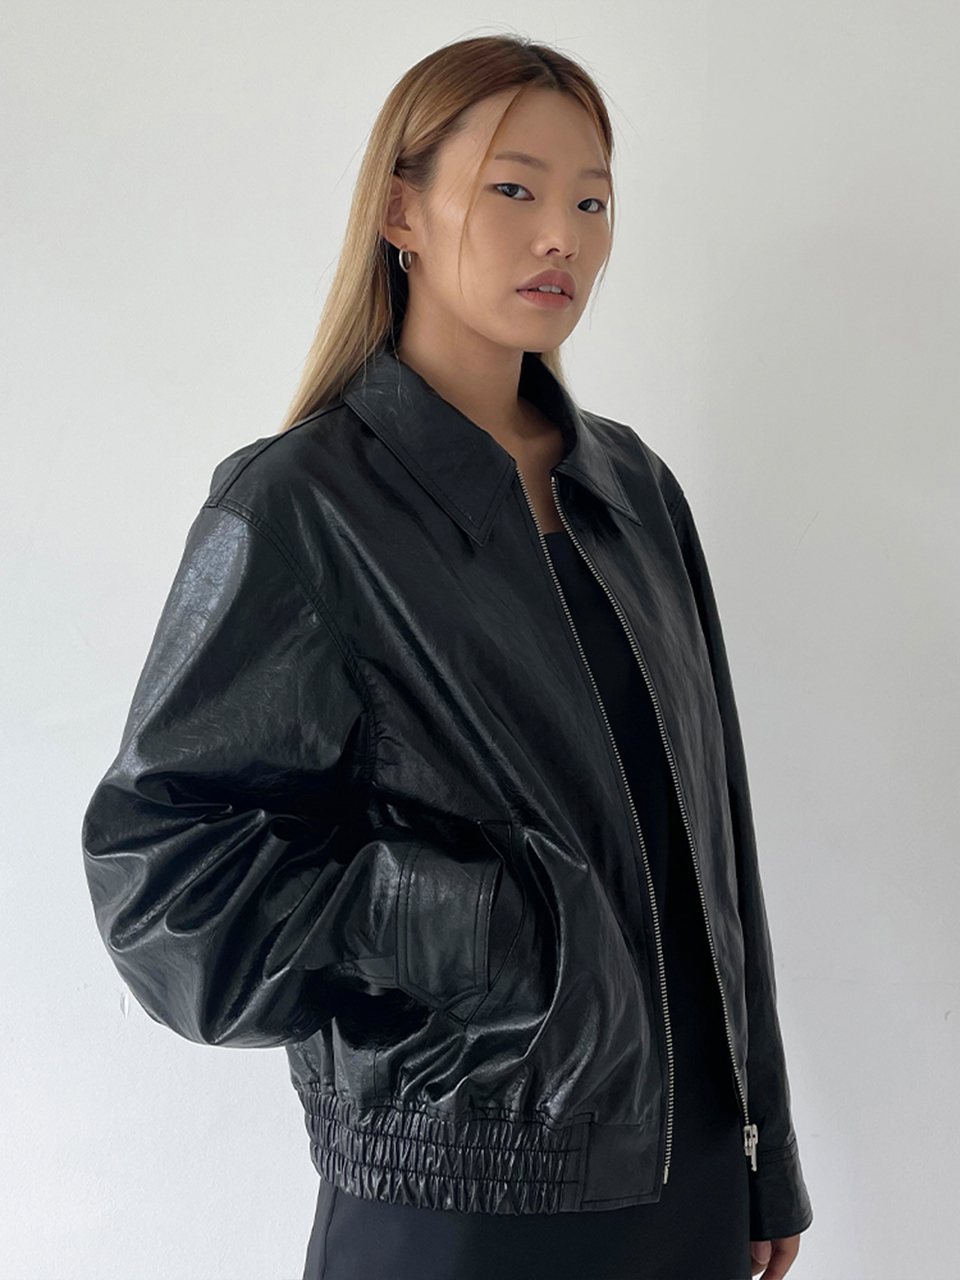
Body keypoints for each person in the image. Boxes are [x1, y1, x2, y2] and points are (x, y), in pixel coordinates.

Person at [81, 33, 813, 1280]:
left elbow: (717, 848)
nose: (562, 236)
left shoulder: (632, 489)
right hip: (457, 1203)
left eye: (593, 201)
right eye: (515, 188)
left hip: (685, 1181)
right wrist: (459, 920)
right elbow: (164, 887)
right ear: (401, 212)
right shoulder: (302, 507)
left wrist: (765, 1151)